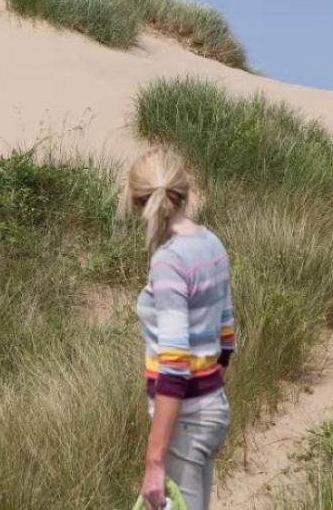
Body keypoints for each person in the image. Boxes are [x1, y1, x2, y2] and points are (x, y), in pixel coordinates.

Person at [120, 148, 235, 510]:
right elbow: (226, 337)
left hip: (186, 420)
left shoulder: (169, 260)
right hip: (210, 410)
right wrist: (209, 393)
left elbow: (174, 365)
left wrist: (154, 463)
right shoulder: (210, 242)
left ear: (138, 202)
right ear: (184, 191)